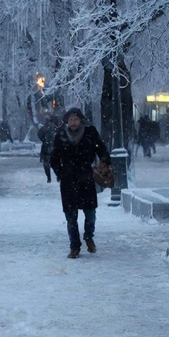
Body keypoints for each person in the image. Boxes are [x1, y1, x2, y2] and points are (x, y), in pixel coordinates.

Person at [50, 108, 110, 259]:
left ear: (81, 120)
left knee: (90, 213)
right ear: (67, 122)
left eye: (76, 119)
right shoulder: (61, 135)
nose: (73, 122)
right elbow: (54, 158)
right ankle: (74, 247)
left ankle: (89, 236)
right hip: (68, 180)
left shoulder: (90, 132)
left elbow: (101, 149)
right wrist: (61, 173)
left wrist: (104, 161)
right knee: (71, 216)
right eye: (71, 120)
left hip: (86, 177)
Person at [38, 114, 57, 183]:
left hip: (46, 147)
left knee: (46, 163)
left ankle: (49, 177)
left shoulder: (44, 127)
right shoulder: (54, 127)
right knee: (54, 162)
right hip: (53, 147)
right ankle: (57, 175)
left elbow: (39, 134)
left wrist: (44, 140)